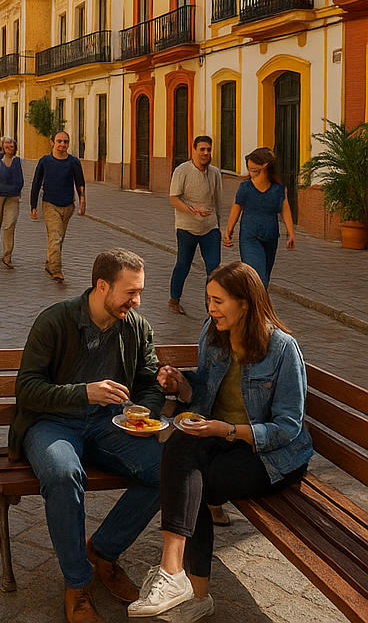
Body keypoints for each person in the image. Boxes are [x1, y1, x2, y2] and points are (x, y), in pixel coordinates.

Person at [127, 262, 313, 621]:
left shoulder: (283, 349)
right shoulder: (214, 335)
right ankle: (174, 574)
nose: (210, 309)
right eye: (208, 299)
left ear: (245, 303)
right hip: (221, 438)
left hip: (271, 455)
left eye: (218, 301)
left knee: (196, 482)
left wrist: (227, 431)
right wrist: (179, 384)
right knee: (181, 445)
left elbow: (288, 428)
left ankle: (194, 594)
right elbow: (203, 390)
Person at [10, 248, 165, 623]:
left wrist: (144, 412)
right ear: (101, 285)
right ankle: (78, 585)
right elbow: (26, 389)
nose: (137, 300)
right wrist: (84, 392)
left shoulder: (137, 327)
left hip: (109, 426)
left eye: (140, 291)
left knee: (169, 468)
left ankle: (103, 552)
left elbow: (148, 382)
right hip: (51, 423)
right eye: (130, 292)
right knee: (64, 474)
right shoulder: (55, 321)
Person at [167, 136, 224, 315]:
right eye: (202, 149)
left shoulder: (215, 173)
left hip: (210, 227)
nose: (206, 153)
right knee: (183, 263)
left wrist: (220, 226)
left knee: (214, 267)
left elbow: (218, 200)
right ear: (194, 150)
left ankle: (211, 305)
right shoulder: (182, 171)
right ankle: (174, 298)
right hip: (186, 227)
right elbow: (173, 198)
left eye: (208, 149)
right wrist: (192, 210)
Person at [223, 147, 296, 288]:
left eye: (253, 169)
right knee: (256, 275)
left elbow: (285, 209)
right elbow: (236, 208)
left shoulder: (278, 189)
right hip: (249, 236)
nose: (250, 172)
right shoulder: (245, 187)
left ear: (265, 166)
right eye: (249, 168)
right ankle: (255, 307)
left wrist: (291, 232)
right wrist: (228, 231)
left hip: (271, 237)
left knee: (265, 276)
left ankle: (255, 305)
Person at [30, 131, 86, 282]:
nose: (62, 144)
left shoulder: (73, 162)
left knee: (59, 237)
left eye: (65, 142)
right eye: (59, 141)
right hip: (50, 204)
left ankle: (50, 262)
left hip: (68, 205)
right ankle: (56, 269)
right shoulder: (45, 161)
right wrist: (33, 205)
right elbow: (36, 183)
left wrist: (82, 201)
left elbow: (80, 182)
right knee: (56, 236)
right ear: (52, 142)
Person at [0, 136, 24, 269]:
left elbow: (20, 178)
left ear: (15, 148)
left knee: (10, 224)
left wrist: (18, 190)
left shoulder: (17, 161)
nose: (9, 149)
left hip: (13, 197)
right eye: (6, 146)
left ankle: (7, 256)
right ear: (3, 147)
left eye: (11, 147)